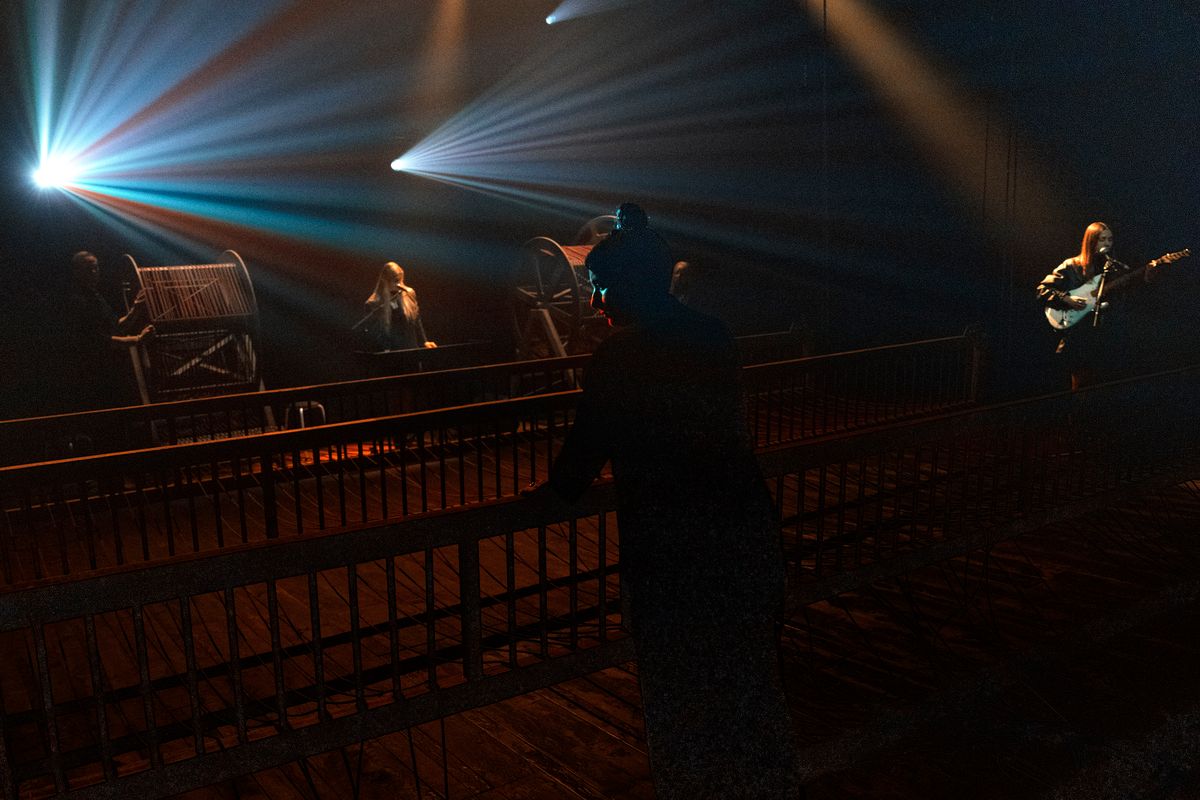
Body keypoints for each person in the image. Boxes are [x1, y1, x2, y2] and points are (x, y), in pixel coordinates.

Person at [527, 204, 802, 798]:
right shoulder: (713, 335)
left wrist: (543, 499)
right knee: (751, 691)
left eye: (600, 287)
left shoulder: (620, 358)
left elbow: (577, 468)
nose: (594, 302)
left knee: (681, 703)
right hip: (744, 535)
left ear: (628, 285)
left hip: (672, 555)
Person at [1036, 222, 1143, 390]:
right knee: (1080, 387)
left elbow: (1125, 296)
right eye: (1102, 239)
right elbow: (1042, 289)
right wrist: (1066, 299)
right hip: (1079, 337)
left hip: (1105, 337)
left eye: (1110, 239)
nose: (1107, 243)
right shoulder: (1072, 265)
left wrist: (1146, 277)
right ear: (1091, 241)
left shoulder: (1114, 270)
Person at [61, 251, 153, 410]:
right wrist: (138, 339)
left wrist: (135, 309)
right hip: (91, 374)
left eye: (96, 268)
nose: (94, 272)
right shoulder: (77, 301)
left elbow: (115, 326)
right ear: (77, 272)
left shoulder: (95, 296)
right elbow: (99, 341)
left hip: (108, 370)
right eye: (88, 269)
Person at [355, 261, 437, 351]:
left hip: (411, 350)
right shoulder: (373, 303)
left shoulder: (408, 294)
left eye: (401, 280)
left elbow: (417, 320)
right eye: (396, 281)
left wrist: (424, 341)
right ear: (385, 281)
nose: (400, 284)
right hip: (390, 352)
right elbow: (374, 334)